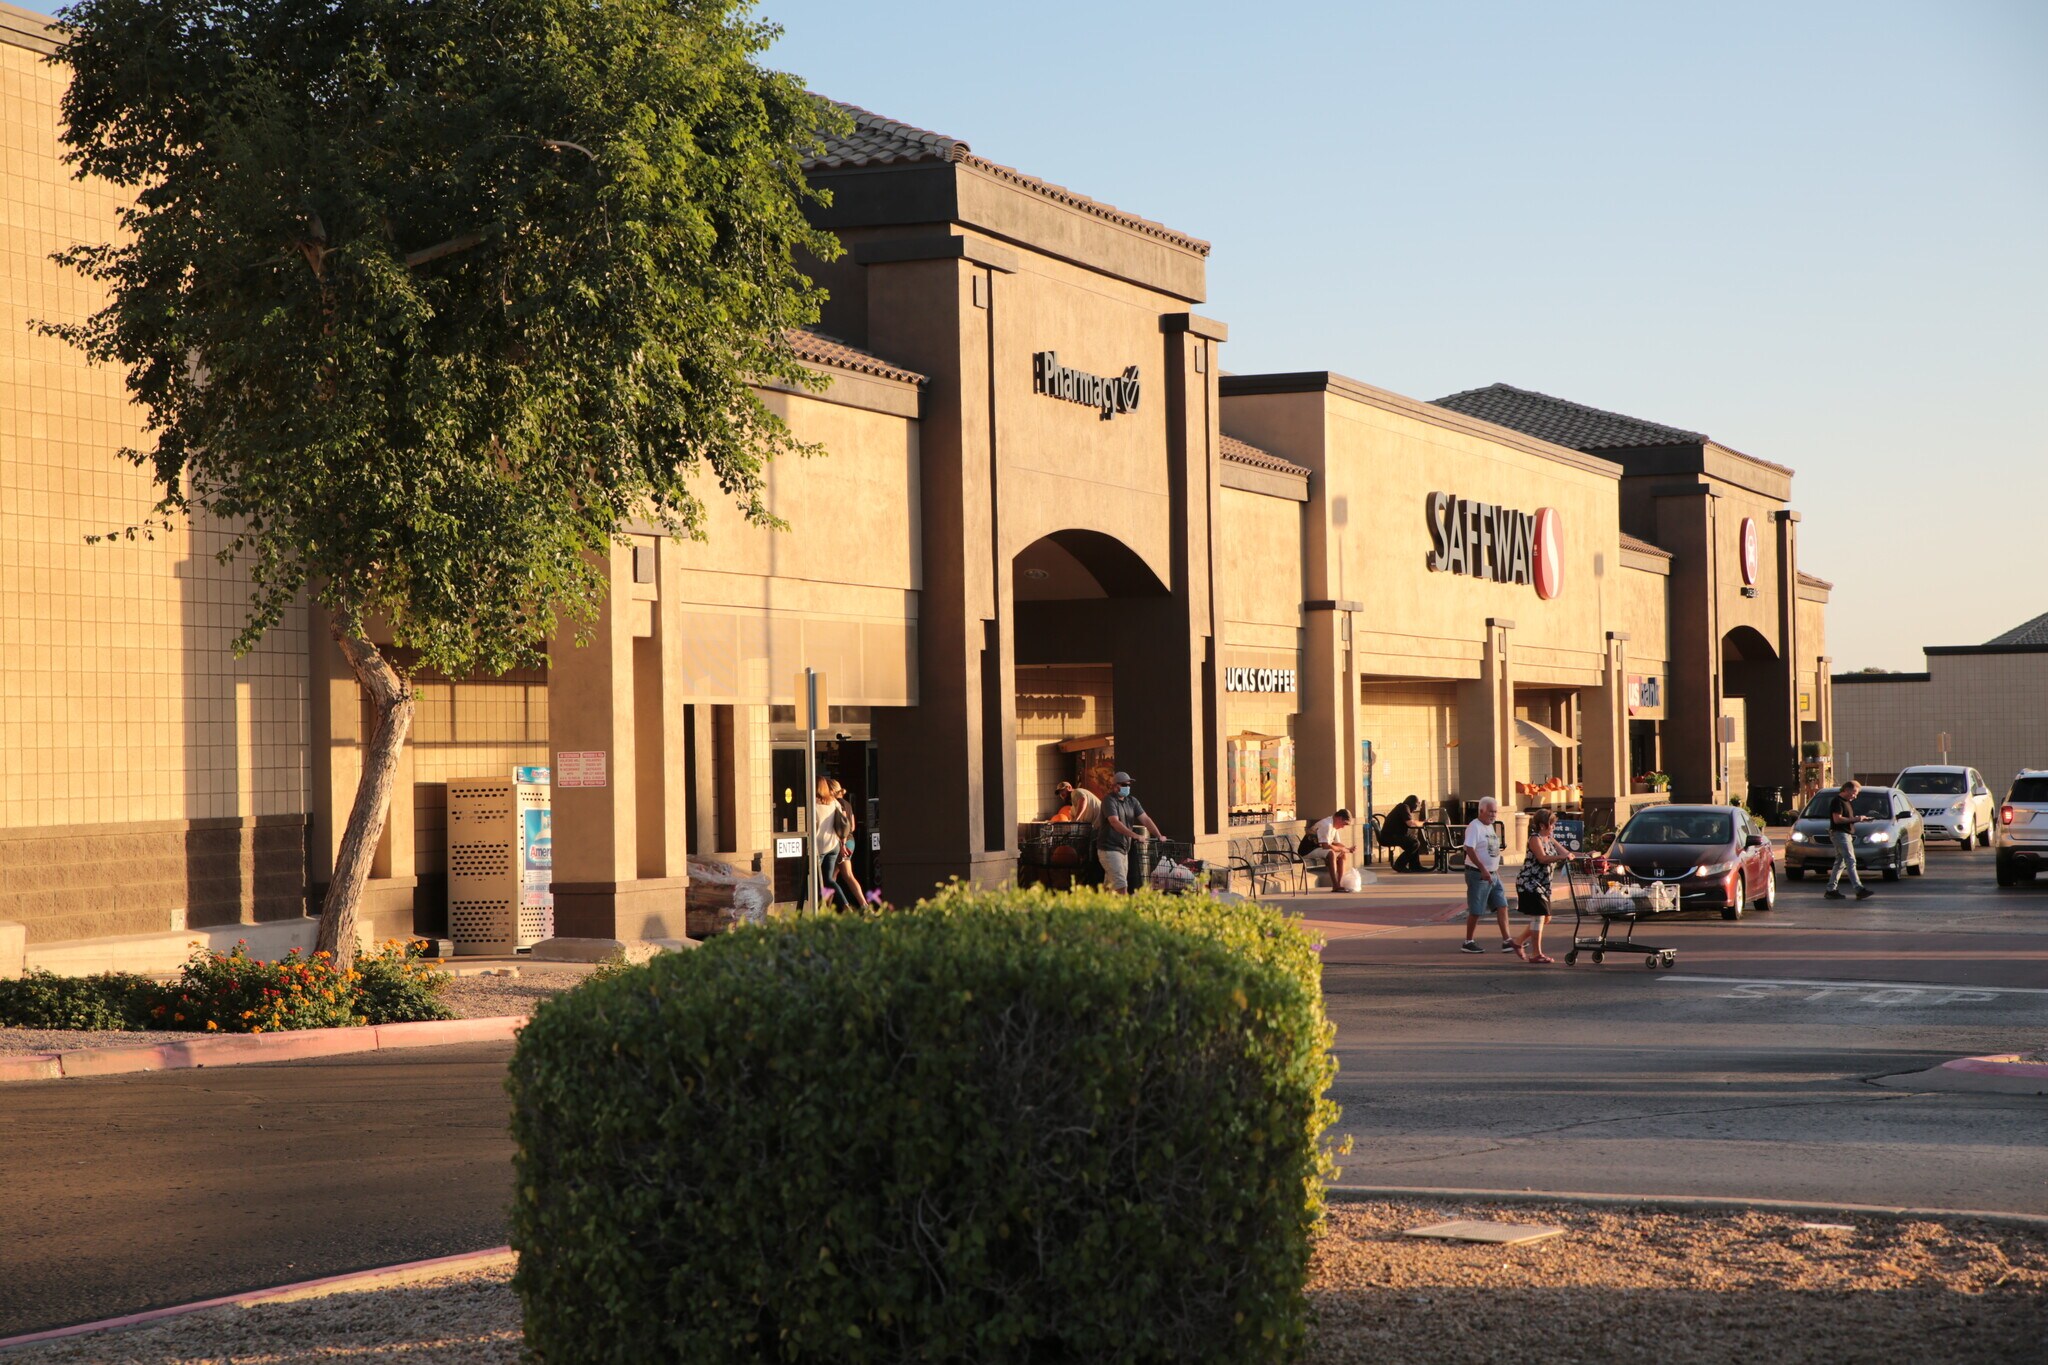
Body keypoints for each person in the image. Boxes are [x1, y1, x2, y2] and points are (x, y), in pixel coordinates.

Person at [1513, 808, 1573, 963]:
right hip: (1530, 883)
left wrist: (1582, 855)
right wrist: (1561, 857)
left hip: (1543, 884)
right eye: (1550, 824)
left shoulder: (1549, 838)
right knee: (1539, 917)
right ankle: (1536, 953)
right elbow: (1542, 858)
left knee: (1546, 918)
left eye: (1553, 825)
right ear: (1541, 825)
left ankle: (1518, 941)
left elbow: (1565, 852)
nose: (1553, 827)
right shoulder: (1535, 839)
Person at [1459, 796, 1516, 953]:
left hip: (1493, 874)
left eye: (1495, 812)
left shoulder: (1489, 827)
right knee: (1476, 909)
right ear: (1481, 810)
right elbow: (1469, 848)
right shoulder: (1474, 827)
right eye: (1491, 811)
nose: (1493, 815)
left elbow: (1490, 851)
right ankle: (1468, 941)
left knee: (1502, 905)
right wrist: (1483, 869)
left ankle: (1507, 940)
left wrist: (1494, 870)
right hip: (1477, 874)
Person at [1097, 770, 1165, 893]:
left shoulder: (1132, 801)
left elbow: (1145, 819)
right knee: (1121, 884)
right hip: (1109, 848)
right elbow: (1114, 822)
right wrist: (1135, 836)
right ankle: (1125, 911)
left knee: (1109, 886)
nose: (1127, 787)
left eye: (1128, 785)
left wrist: (1159, 835)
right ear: (1115, 786)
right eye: (1124, 785)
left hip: (1124, 849)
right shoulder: (1109, 801)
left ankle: (1097, 909)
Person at [1826, 780, 1875, 901]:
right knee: (1850, 860)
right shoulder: (1837, 801)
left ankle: (1831, 889)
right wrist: (1856, 819)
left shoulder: (1846, 802)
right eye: (1854, 793)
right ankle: (1858, 889)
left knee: (1840, 862)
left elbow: (1847, 818)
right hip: (1840, 834)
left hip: (1845, 834)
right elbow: (1837, 820)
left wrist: (1860, 819)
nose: (1855, 796)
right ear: (1846, 790)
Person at [829, 779, 868, 910]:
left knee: (846, 876)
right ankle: (825, 907)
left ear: (832, 791)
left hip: (843, 843)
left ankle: (860, 905)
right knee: (832, 877)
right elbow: (853, 825)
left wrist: (842, 844)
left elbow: (843, 825)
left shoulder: (836, 804)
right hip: (851, 841)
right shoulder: (847, 804)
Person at [812, 776, 843, 909]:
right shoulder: (834, 802)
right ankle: (840, 905)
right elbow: (842, 822)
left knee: (818, 880)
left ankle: (821, 908)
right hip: (834, 844)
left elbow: (813, 827)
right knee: (828, 879)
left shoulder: (813, 804)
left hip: (820, 847)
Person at [1306, 809, 1356, 891]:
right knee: (1331, 853)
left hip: (1318, 848)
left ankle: (1340, 883)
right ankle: (1335, 885)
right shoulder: (1327, 825)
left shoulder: (1334, 825)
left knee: (1342, 854)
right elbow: (1326, 846)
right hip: (1308, 850)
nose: (1343, 827)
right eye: (1344, 824)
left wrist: (1347, 849)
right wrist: (1343, 849)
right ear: (1339, 818)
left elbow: (1337, 844)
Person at [1382, 795, 1425, 873]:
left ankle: (1415, 866)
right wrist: (1424, 823)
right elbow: (1410, 823)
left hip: (1392, 835)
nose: (1416, 808)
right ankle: (1399, 865)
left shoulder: (1403, 807)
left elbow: (1410, 822)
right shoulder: (1404, 807)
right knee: (1414, 843)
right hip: (1390, 836)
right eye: (1416, 805)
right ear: (1412, 803)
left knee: (1413, 841)